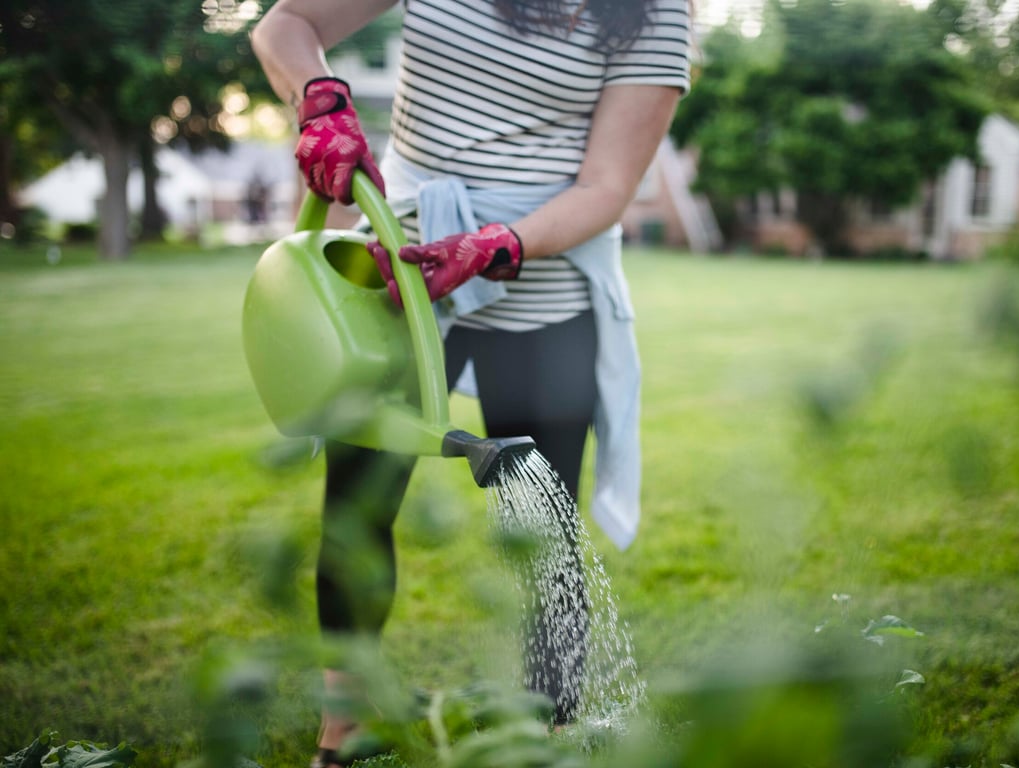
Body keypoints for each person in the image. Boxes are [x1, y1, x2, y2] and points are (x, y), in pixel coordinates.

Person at [251, 0, 691, 764]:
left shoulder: (654, 12)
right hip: (398, 271)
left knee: (546, 530)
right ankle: (344, 728)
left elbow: (608, 186)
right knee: (357, 508)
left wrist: (496, 245)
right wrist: (320, 102)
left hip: (544, 281)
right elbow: (284, 24)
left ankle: (545, 732)